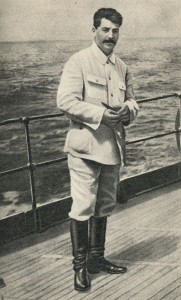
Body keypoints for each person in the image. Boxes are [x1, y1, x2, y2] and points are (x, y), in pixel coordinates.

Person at [57, 7, 139, 292]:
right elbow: (65, 101)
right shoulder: (78, 62)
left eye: (115, 31)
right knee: (82, 207)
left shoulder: (122, 67)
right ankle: (79, 268)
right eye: (105, 30)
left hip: (112, 149)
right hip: (84, 148)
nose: (110, 36)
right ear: (93, 31)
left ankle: (96, 258)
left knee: (104, 205)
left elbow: (133, 101)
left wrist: (127, 111)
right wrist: (100, 114)